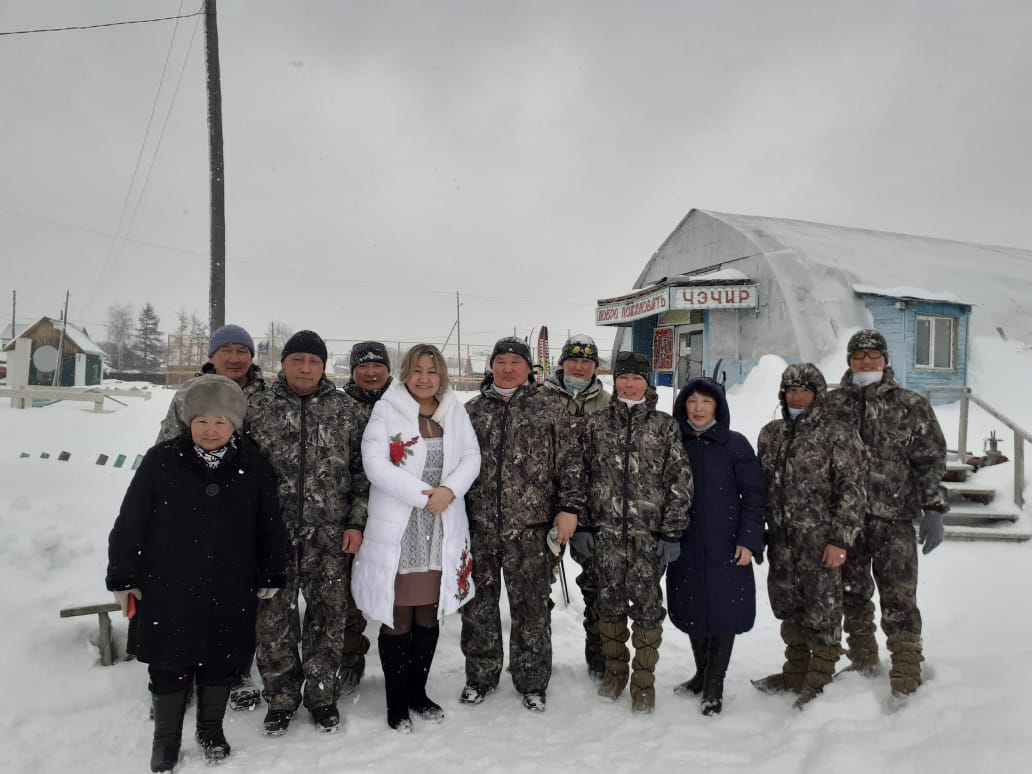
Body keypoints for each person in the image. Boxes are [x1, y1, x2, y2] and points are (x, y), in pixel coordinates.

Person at [106, 375, 286, 772]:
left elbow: (269, 525)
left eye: (221, 421)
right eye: (202, 420)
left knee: (221, 661)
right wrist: (123, 576)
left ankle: (211, 730)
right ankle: (166, 740)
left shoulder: (253, 465)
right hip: (169, 584)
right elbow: (130, 521)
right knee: (169, 664)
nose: (210, 429)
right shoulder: (162, 460)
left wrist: (272, 570)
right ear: (188, 421)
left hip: (231, 582)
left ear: (235, 424)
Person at [245, 330, 369, 735]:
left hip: (329, 536)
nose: (305, 368)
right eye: (297, 360)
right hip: (271, 537)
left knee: (328, 617)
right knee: (273, 620)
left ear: (323, 365)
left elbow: (362, 474)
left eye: (313, 361)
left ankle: (321, 695)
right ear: (283, 363)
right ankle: (280, 698)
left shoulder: (346, 410)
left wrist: (355, 522)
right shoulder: (256, 407)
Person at [352, 344, 481, 732]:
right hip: (402, 526)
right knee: (398, 618)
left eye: (433, 370)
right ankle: (396, 702)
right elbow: (374, 463)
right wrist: (423, 497)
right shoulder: (387, 409)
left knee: (428, 615)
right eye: (417, 370)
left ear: (442, 375)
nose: (425, 378)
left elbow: (471, 457)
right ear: (406, 373)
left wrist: (450, 491)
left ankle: (417, 693)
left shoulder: (454, 412)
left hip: (441, 526)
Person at [460, 336, 585, 712]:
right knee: (478, 607)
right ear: (492, 366)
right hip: (479, 527)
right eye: (501, 361)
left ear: (529, 368)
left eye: (516, 361)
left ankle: (532, 679)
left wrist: (569, 508)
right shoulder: (471, 411)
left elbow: (571, 464)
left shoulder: (550, 409)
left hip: (531, 529)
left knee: (531, 608)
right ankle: (481, 674)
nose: (508, 368)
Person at [823, 329, 948, 697]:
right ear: (848, 361)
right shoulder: (832, 405)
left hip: (894, 518)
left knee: (900, 596)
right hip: (847, 521)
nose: (866, 362)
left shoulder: (910, 405)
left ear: (885, 360)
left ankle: (907, 669)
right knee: (852, 592)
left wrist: (933, 508)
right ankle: (862, 660)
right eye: (858, 356)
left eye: (873, 356)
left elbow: (930, 459)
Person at [154, 323, 269, 711]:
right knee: (190, 594)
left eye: (243, 350)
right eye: (227, 351)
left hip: (244, 510)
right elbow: (166, 449)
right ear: (212, 355)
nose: (235, 358)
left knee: (239, 597)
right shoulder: (189, 393)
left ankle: (236, 670)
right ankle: (180, 676)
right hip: (194, 510)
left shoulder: (265, 394)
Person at [573, 351, 693, 713]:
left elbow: (680, 480)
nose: (629, 384)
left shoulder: (664, 426)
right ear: (615, 380)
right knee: (607, 605)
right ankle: (614, 674)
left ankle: (643, 682)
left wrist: (672, 532)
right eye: (623, 377)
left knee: (646, 608)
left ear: (647, 383)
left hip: (648, 537)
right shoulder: (594, 424)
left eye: (636, 378)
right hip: (604, 535)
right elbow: (578, 475)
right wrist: (581, 523)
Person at [754, 363, 868, 708]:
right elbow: (759, 487)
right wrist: (756, 530)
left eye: (805, 390)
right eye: (790, 390)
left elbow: (853, 490)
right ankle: (796, 671)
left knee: (824, 610)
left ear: (818, 394)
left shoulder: (838, 433)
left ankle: (820, 678)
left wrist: (840, 540)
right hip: (782, 542)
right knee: (789, 606)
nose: (797, 396)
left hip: (821, 543)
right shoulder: (771, 434)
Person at [666, 376, 766, 716]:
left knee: (724, 612)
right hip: (686, 542)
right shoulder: (673, 441)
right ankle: (701, 673)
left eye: (705, 402)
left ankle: (714, 684)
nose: (697, 409)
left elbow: (754, 497)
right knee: (692, 608)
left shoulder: (735, 444)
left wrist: (749, 539)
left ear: (717, 407)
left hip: (727, 545)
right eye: (692, 402)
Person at [540, 333, 611, 680]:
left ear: (595, 367)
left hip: (595, 513)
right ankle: (537, 661)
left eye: (586, 361)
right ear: (562, 363)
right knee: (538, 590)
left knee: (597, 587)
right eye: (573, 360)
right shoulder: (540, 400)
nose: (579, 366)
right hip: (545, 510)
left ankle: (598, 657)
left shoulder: (608, 404)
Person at [335, 340, 394, 695]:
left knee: (394, 596)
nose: (371, 372)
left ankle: (399, 664)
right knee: (347, 596)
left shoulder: (401, 405)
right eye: (363, 366)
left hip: (392, 512)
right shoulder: (340, 407)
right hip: (347, 514)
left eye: (377, 365)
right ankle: (349, 663)